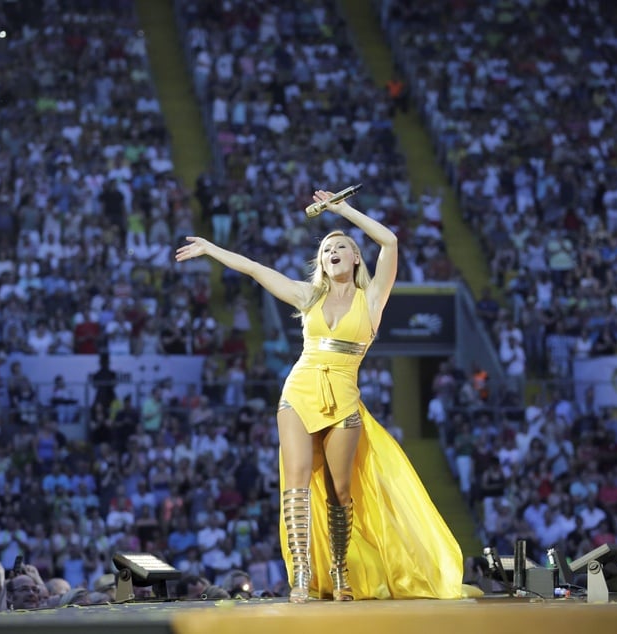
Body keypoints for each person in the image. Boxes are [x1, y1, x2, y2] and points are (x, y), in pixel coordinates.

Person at [176, 188, 463, 602]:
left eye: (341, 246)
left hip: (344, 398)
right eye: (327, 248)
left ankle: (340, 572)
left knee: (339, 492)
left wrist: (344, 211)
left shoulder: (373, 298)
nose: (332, 251)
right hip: (299, 391)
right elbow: (256, 269)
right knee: (295, 485)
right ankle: (301, 576)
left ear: (355, 257)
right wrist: (211, 248)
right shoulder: (307, 295)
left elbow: (390, 241)